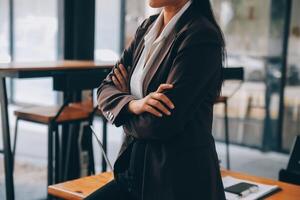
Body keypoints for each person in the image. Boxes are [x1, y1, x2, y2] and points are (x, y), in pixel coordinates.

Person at [86, 0, 226, 199]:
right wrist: (134, 104)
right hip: (134, 174)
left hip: (175, 182)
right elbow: (104, 89)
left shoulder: (201, 35)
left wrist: (121, 113)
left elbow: (162, 123)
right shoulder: (147, 27)